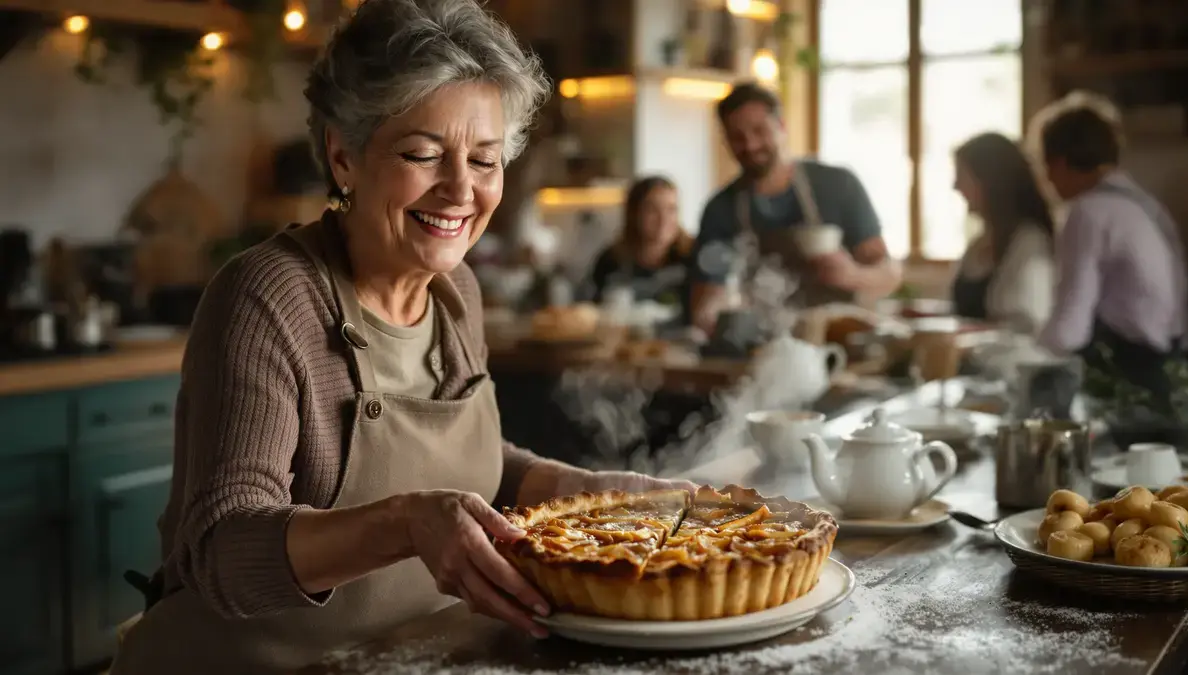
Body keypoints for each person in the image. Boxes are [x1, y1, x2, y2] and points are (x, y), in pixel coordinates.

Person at [110, 1, 690, 672]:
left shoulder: (455, 292)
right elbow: (221, 551)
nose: (460, 190)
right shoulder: (268, 296)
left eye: (485, 160)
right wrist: (407, 523)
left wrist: (580, 487)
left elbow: (455, 463)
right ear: (343, 156)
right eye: (422, 154)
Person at [688, 82, 902, 332]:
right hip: (760, 345)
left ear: (782, 126)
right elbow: (709, 295)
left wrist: (851, 274)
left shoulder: (836, 185)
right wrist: (713, 309)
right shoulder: (719, 210)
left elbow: (890, 275)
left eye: (760, 131)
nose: (750, 145)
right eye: (737, 137)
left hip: (838, 341)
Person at [1032, 92, 1188, 405]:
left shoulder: (1090, 210)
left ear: (1059, 163)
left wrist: (1013, 354)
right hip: (1174, 373)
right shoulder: (1143, 204)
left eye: (1045, 168)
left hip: (1133, 380)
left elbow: (1068, 332)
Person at [950, 132, 1057, 334]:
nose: (955, 186)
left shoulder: (1029, 242)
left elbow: (1025, 326)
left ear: (989, 180)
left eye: (962, 176)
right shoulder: (979, 242)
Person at [588, 175, 692, 308]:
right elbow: (594, 313)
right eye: (652, 210)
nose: (663, 218)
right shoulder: (611, 260)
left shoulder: (693, 257)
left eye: (671, 209)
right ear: (634, 213)